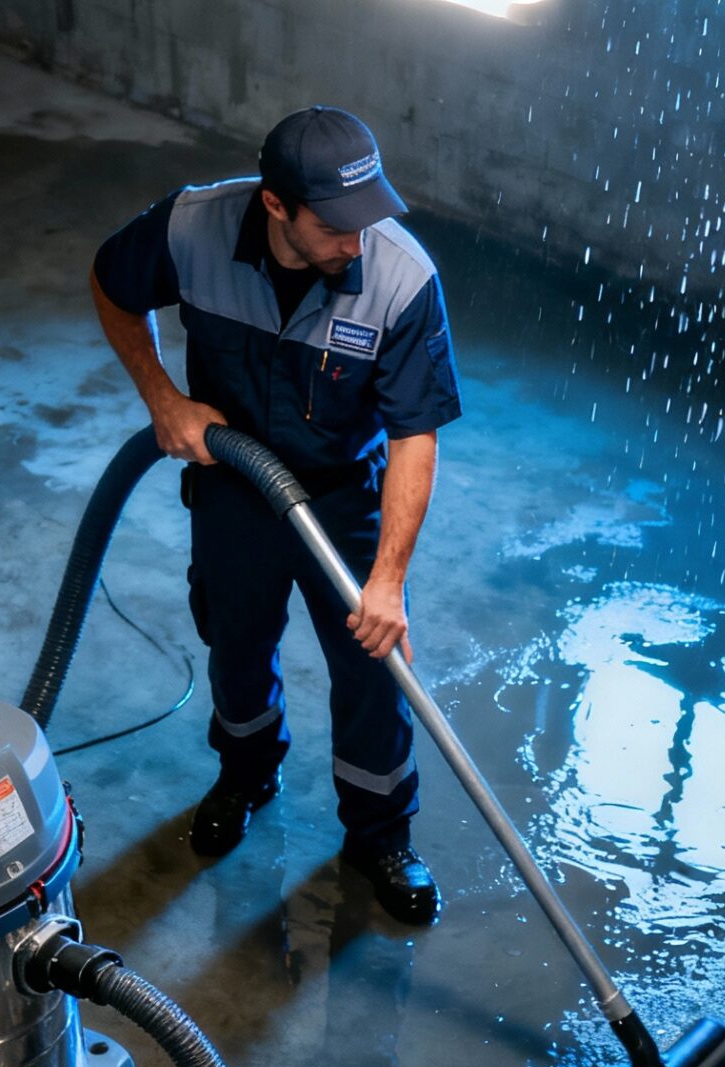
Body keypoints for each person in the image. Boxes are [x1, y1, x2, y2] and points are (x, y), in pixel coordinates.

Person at [91, 106, 461, 925]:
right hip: (234, 481)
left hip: (342, 496)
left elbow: (415, 438)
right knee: (235, 636)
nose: (355, 243)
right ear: (275, 207)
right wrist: (164, 399)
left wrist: (390, 580)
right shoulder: (192, 229)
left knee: (372, 664)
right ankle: (246, 771)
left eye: (370, 219)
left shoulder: (401, 277)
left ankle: (379, 834)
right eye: (334, 226)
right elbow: (111, 285)